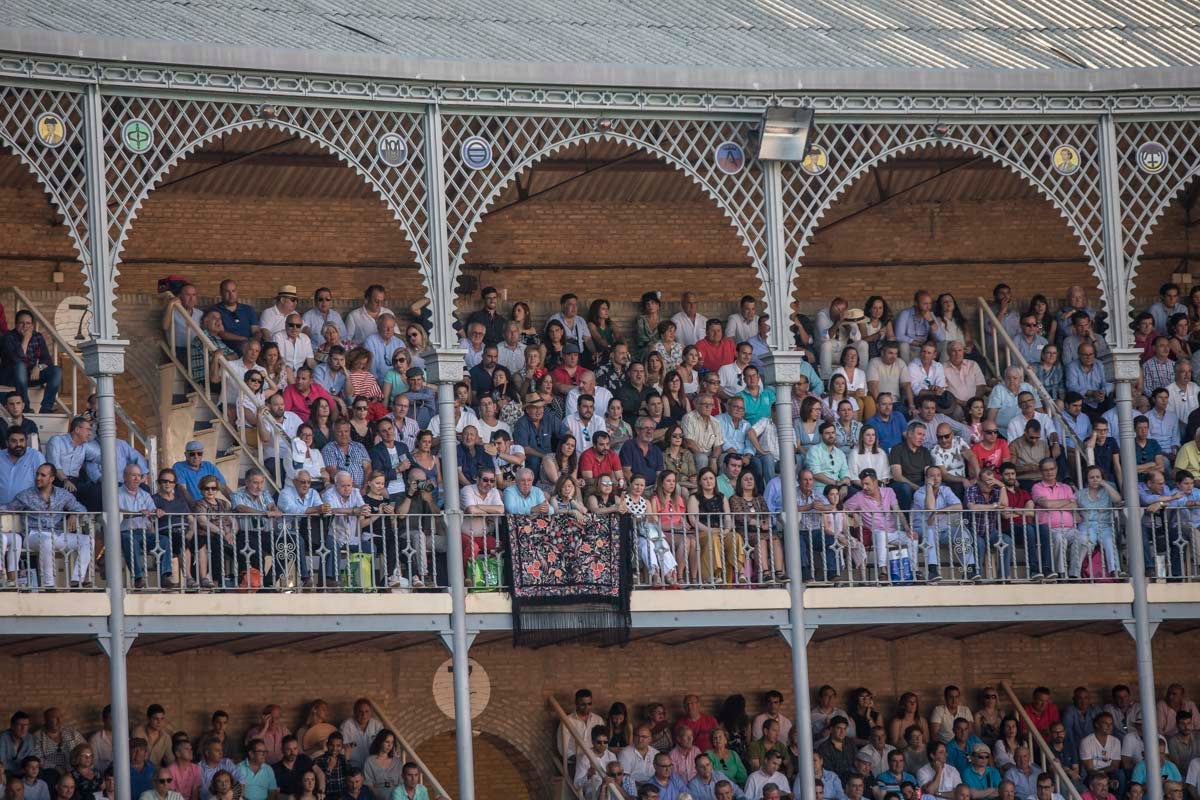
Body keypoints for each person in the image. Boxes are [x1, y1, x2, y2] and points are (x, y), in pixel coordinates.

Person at [11, 463, 90, 590]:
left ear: (52, 478)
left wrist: (74, 515)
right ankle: (49, 584)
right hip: (33, 536)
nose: (38, 478)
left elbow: (82, 508)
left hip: (57, 535)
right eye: (37, 474)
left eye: (43, 475)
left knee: (87, 541)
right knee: (47, 541)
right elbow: (8, 508)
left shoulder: (62, 494)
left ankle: (77, 580)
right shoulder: (25, 495)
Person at [1, 310, 61, 414]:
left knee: (56, 371)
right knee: (20, 366)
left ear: (32, 325)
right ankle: (25, 406)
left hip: (30, 375)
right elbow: (17, 359)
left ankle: (46, 408)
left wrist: (38, 367)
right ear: (16, 324)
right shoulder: (8, 337)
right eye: (21, 323)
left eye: (28, 323)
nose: (25, 326)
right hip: (11, 376)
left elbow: (46, 360)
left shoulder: (38, 337)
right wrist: (26, 339)